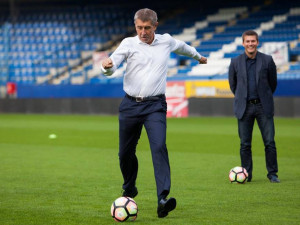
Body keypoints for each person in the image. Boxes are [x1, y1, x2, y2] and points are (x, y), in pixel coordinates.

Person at [101, 8, 207, 218]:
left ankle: (162, 199)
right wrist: (107, 67)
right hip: (130, 105)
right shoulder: (128, 44)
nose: (143, 32)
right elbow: (113, 66)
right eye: (139, 27)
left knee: (159, 147)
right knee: (125, 154)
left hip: (155, 106)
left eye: (147, 28)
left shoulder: (165, 41)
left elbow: (183, 48)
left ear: (155, 27)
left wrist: (198, 57)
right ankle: (130, 187)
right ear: (136, 27)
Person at [228, 30, 279, 183]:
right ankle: (246, 175)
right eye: (247, 41)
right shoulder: (235, 62)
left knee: (269, 142)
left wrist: (264, 97)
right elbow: (233, 85)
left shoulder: (268, 60)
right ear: (243, 43)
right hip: (244, 108)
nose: (250, 44)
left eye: (253, 41)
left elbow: (272, 84)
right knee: (245, 144)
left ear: (257, 42)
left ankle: (272, 174)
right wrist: (243, 98)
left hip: (263, 106)